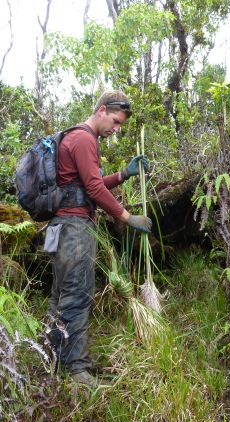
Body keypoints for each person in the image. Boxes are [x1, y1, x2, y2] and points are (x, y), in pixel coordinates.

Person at [44, 90, 152, 388]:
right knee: (77, 294)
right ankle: (76, 372)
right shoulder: (83, 139)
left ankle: (53, 358)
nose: (116, 129)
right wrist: (127, 218)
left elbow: (87, 183)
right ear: (102, 111)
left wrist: (122, 174)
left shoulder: (80, 139)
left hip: (65, 227)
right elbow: (92, 188)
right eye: (116, 122)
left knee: (63, 295)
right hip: (74, 229)